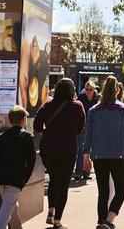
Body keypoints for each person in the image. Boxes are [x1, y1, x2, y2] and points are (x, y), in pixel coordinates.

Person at [83, 76, 124, 229]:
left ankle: (100, 220)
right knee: (121, 190)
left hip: (99, 155)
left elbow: (89, 133)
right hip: (117, 154)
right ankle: (109, 220)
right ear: (118, 90)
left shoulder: (93, 110)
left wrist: (86, 153)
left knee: (103, 191)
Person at [34, 78, 85, 228]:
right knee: (63, 184)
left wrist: (47, 132)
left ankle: (50, 210)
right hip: (67, 149)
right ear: (71, 90)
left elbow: (36, 126)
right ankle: (57, 221)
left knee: (54, 179)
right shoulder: (77, 106)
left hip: (48, 149)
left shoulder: (47, 105)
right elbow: (81, 127)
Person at [0, 106, 36, 229]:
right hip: (15, 179)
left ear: (10, 120)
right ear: (24, 120)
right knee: (6, 210)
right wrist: (25, 178)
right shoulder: (27, 137)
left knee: (11, 206)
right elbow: (31, 161)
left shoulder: (1, 137)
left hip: (0, 179)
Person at [75, 81, 100, 180]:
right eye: (87, 89)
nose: (88, 91)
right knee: (81, 148)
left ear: (94, 89)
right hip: (82, 126)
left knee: (92, 149)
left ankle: (87, 170)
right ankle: (78, 171)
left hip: (95, 126)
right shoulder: (81, 98)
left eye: (90, 89)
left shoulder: (98, 98)